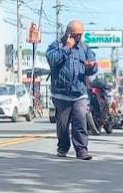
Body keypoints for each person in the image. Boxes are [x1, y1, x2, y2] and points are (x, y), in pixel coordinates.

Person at [46, 20, 98, 160]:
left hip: (79, 93)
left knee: (80, 121)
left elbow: (94, 66)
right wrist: (67, 48)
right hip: (61, 94)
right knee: (62, 125)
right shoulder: (56, 46)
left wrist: (90, 67)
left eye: (81, 34)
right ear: (68, 33)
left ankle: (81, 150)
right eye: (76, 34)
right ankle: (63, 146)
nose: (79, 37)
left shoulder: (85, 48)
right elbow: (52, 60)